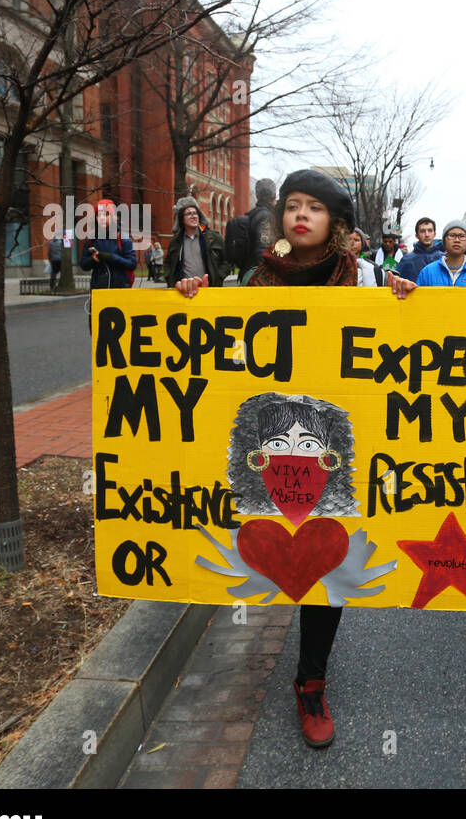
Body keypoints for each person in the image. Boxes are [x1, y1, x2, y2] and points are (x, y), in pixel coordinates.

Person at [174, 168, 417, 749]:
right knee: (273, 549)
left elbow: (408, 337)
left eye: (315, 207)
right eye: (292, 206)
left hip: (331, 450)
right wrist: (193, 302)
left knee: (326, 561)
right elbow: (223, 350)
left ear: (335, 223)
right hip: (267, 448)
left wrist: (407, 300)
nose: (300, 215)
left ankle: (312, 680)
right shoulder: (254, 281)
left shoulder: (364, 281)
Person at [164, 195, 227, 288]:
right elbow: (168, 264)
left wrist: (218, 277)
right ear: (182, 219)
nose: (193, 216)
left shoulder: (214, 238)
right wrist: (171, 280)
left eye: (195, 213)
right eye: (189, 214)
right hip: (185, 291)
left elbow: (227, 261)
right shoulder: (175, 242)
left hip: (209, 289)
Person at [80, 199, 135, 290]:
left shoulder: (123, 237)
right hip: (98, 290)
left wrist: (111, 257)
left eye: (106, 214)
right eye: (98, 215)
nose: (101, 218)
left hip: (119, 290)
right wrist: (92, 260)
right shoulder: (91, 238)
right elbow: (83, 265)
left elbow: (132, 264)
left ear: (113, 216)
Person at [416, 221, 466, 286]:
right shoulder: (427, 272)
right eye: (452, 235)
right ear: (444, 241)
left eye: (462, 236)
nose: (457, 240)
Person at [396, 217, 442, 282]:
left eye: (430, 231)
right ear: (416, 235)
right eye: (423, 231)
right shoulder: (406, 261)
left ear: (434, 234)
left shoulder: (443, 259)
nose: (427, 234)